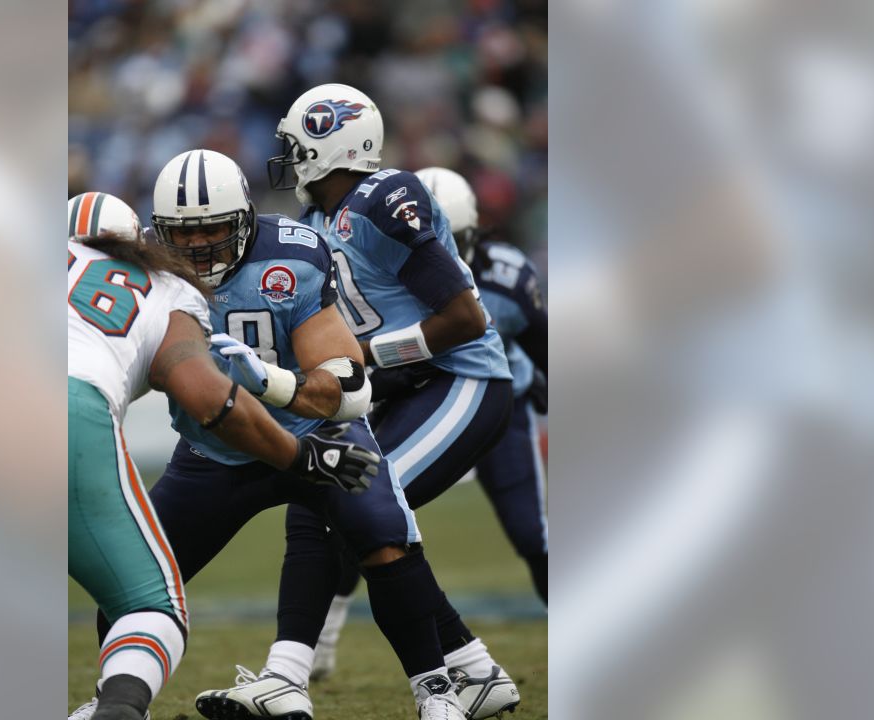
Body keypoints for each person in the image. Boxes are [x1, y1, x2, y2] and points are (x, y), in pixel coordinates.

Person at [93, 149, 475, 720]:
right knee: (130, 577)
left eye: (215, 228)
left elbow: (347, 386)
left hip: (315, 435)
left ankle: (438, 692)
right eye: (183, 233)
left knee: (384, 537)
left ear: (244, 219)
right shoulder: (149, 268)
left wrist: (270, 382)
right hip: (215, 452)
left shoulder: (291, 256)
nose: (198, 246)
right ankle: (116, 702)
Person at [199, 83, 524, 720]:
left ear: (329, 144)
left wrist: (370, 358)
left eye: (297, 146)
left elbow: (464, 317)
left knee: (348, 502)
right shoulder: (315, 224)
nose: (287, 158)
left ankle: (287, 676)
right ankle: (475, 671)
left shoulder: (381, 198)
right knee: (335, 502)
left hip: (464, 378)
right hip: (406, 390)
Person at [67, 191, 381, 720]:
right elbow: (213, 402)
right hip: (66, 409)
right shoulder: (169, 289)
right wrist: (300, 455)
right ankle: (117, 709)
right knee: (148, 605)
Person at [415, 166, 548, 604]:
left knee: (531, 533)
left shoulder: (505, 280)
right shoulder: (375, 280)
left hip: (499, 408)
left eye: (452, 241)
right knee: (369, 520)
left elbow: (544, 346)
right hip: (413, 406)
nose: (442, 258)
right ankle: (319, 641)